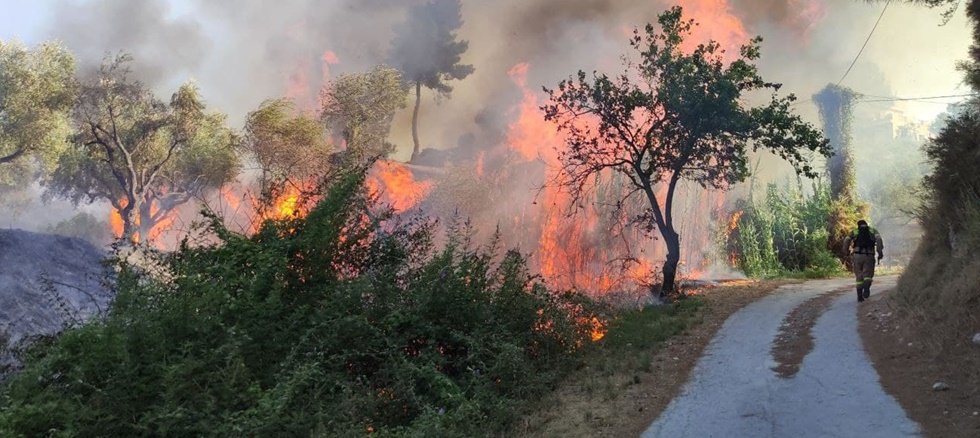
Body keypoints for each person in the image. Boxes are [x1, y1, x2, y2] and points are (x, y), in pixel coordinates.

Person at [843, 219, 884, 302]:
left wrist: (846, 251)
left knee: (859, 275)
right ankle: (866, 288)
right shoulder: (873, 230)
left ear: (858, 225)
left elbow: (846, 240)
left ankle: (859, 296)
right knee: (868, 275)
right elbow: (879, 240)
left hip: (857, 256)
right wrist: (880, 252)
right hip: (869, 255)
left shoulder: (855, 231)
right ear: (866, 224)